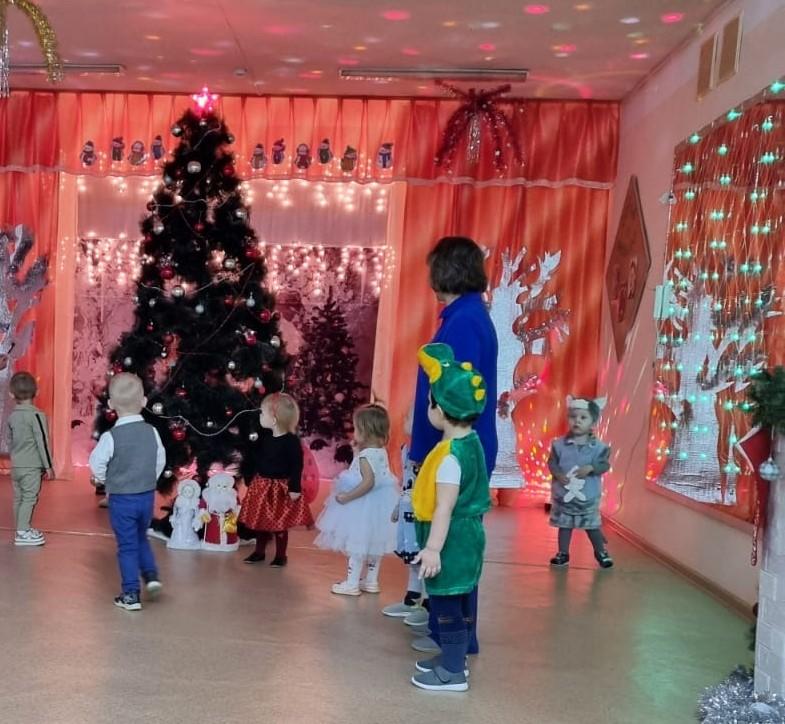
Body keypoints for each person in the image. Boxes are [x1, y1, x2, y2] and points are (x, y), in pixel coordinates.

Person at [409, 235, 498, 656]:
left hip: (450, 447)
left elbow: (452, 392)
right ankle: (444, 628)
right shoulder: (464, 314)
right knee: (448, 535)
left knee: (452, 541)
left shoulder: (464, 320)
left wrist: (427, 451)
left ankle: (454, 639)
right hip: (448, 445)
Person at [409, 343, 490, 692]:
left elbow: (444, 507)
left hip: (452, 540)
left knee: (445, 605)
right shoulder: (471, 442)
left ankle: (453, 672)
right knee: (457, 598)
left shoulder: (450, 458)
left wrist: (432, 549)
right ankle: (454, 659)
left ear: (439, 410)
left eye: (430, 402)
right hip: (466, 537)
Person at [89, 373, 166, 610]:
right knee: (141, 536)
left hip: (122, 500)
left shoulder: (111, 436)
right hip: (146, 496)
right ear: (144, 401)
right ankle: (151, 576)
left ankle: (131, 593)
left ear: (111, 405)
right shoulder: (152, 431)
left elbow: (96, 463)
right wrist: (148, 479)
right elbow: (159, 460)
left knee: (127, 545)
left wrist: (106, 480)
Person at [314, 404, 398, 596]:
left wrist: (347, 497)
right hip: (380, 504)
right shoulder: (381, 451)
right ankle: (371, 581)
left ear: (365, 431)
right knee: (375, 543)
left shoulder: (366, 456)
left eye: (356, 428)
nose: (354, 432)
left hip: (362, 504)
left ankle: (351, 584)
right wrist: (356, 451)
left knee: (357, 544)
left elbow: (368, 482)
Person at [238, 393, 313, 567]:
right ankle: (259, 552)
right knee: (260, 521)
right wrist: (251, 476)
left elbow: (297, 465)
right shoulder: (265, 438)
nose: (260, 416)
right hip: (262, 485)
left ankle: (280, 555)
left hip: (280, 488)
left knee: (279, 522)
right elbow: (257, 458)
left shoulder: (291, 441)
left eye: (262, 413)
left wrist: (295, 487)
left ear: (274, 419)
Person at [547, 395, 613, 569]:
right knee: (564, 525)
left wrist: (591, 468)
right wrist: (558, 474)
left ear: (593, 421)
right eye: (573, 417)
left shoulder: (599, 448)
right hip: (565, 496)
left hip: (587, 496)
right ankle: (563, 553)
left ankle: (601, 552)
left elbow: (604, 465)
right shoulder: (558, 445)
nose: (577, 421)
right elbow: (552, 462)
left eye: (583, 418)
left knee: (592, 526)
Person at [382, 405, 430, 623]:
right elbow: (406, 484)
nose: (404, 420)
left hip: (422, 514)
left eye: (409, 416)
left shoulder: (430, 455)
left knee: (422, 557)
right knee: (412, 559)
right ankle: (412, 598)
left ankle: (428, 603)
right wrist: (398, 507)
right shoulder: (405, 451)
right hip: (407, 512)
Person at [8, 372, 54, 546]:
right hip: (31, 466)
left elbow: (9, 441)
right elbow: (42, 441)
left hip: (16, 465)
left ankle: (21, 528)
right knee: (29, 498)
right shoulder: (37, 415)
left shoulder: (12, 416)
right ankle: (22, 532)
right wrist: (48, 465)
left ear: (11, 394)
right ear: (37, 392)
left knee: (18, 498)